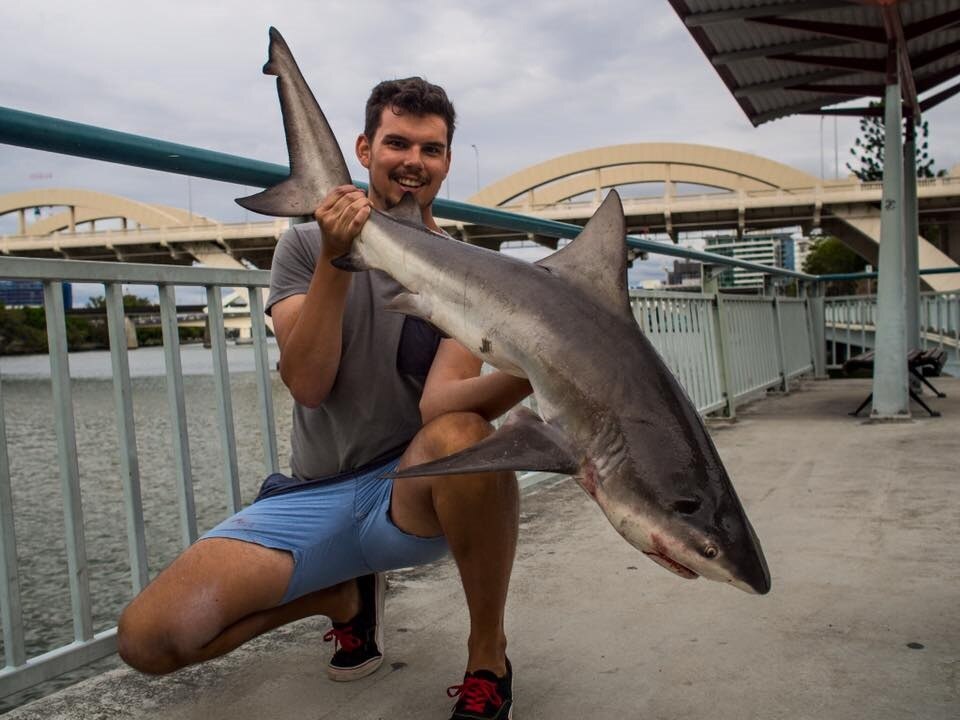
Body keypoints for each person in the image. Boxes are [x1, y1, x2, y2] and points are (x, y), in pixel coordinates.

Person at [117, 77, 531, 720]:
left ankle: (487, 654)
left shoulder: (462, 267)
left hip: (407, 492)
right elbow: (308, 383)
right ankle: (342, 599)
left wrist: (535, 366)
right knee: (148, 639)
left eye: (431, 149)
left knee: (467, 435)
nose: (413, 162)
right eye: (397, 143)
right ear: (365, 149)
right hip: (316, 491)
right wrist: (337, 257)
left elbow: (442, 407)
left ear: (447, 162)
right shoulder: (303, 244)